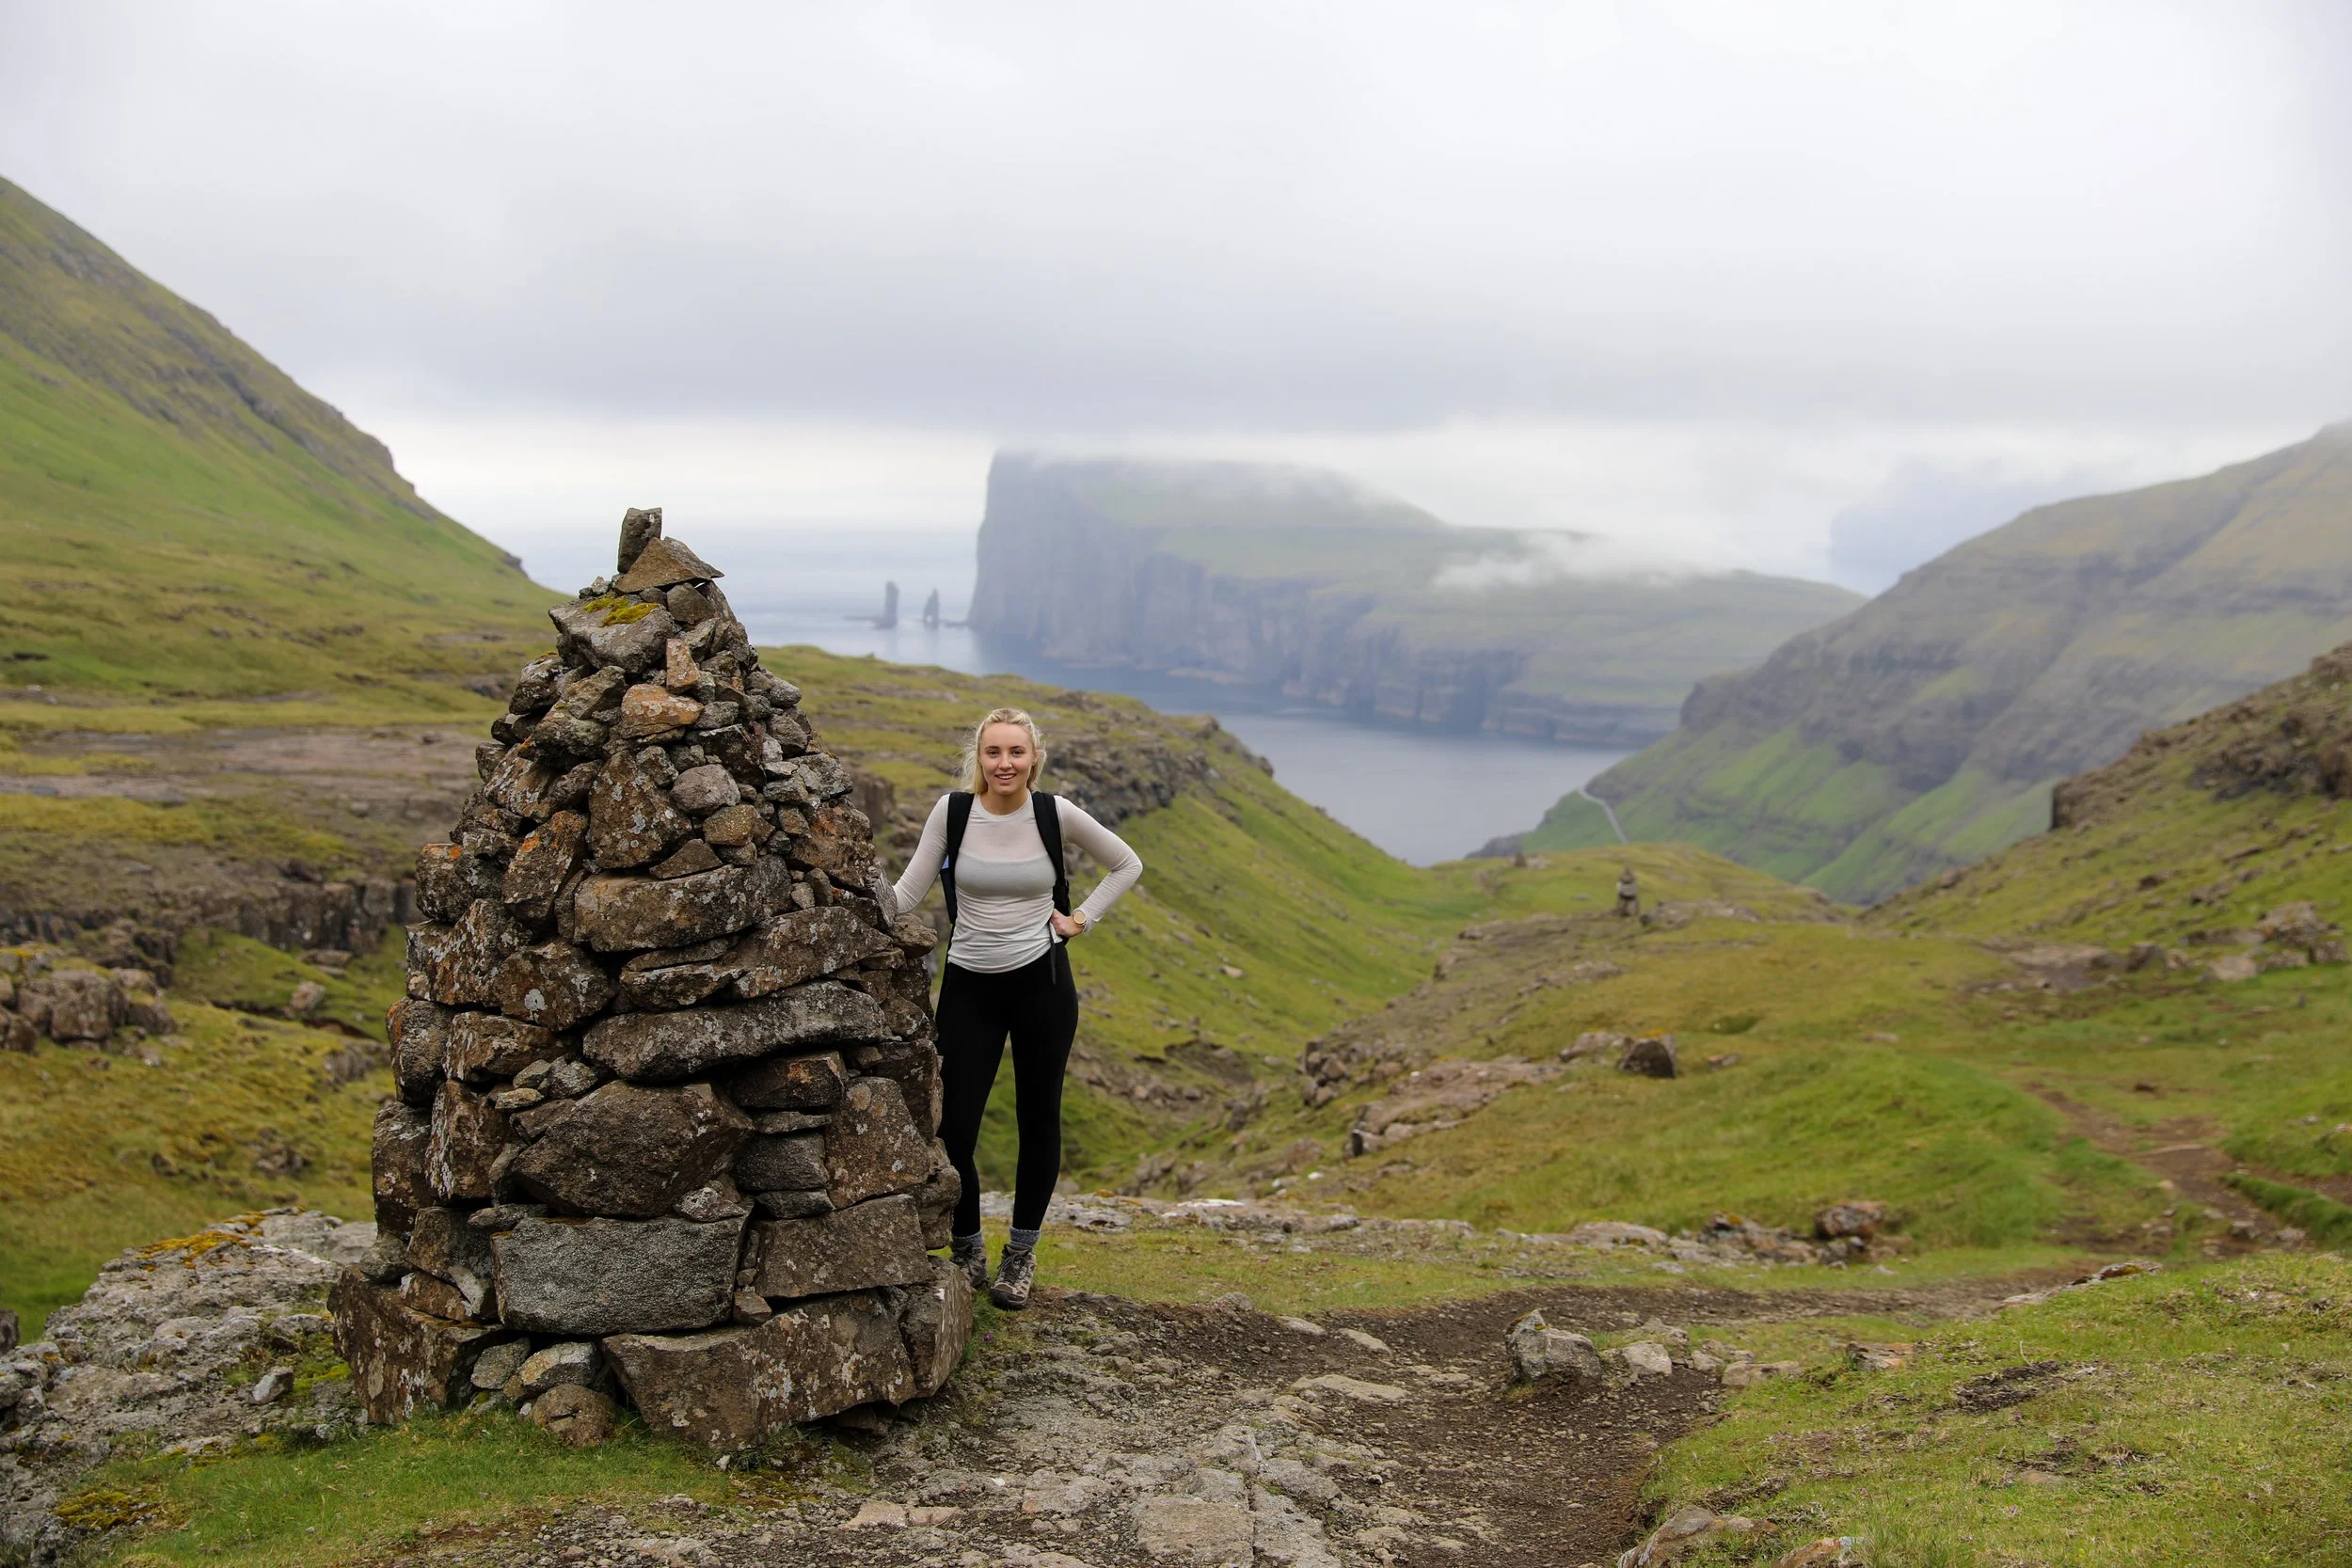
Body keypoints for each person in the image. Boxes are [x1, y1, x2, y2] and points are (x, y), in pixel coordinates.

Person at [889, 706, 1143, 1309]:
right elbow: (904, 895)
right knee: (953, 1128)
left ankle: (1020, 1256)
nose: (1005, 764)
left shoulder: (1054, 814)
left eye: (1016, 753)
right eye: (994, 753)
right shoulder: (952, 814)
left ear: (1034, 759)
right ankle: (968, 1245)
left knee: (1039, 1121)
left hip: (1043, 985)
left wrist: (1080, 919)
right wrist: (837, 892)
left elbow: (1126, 863)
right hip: (968, 986)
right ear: (979, 758)